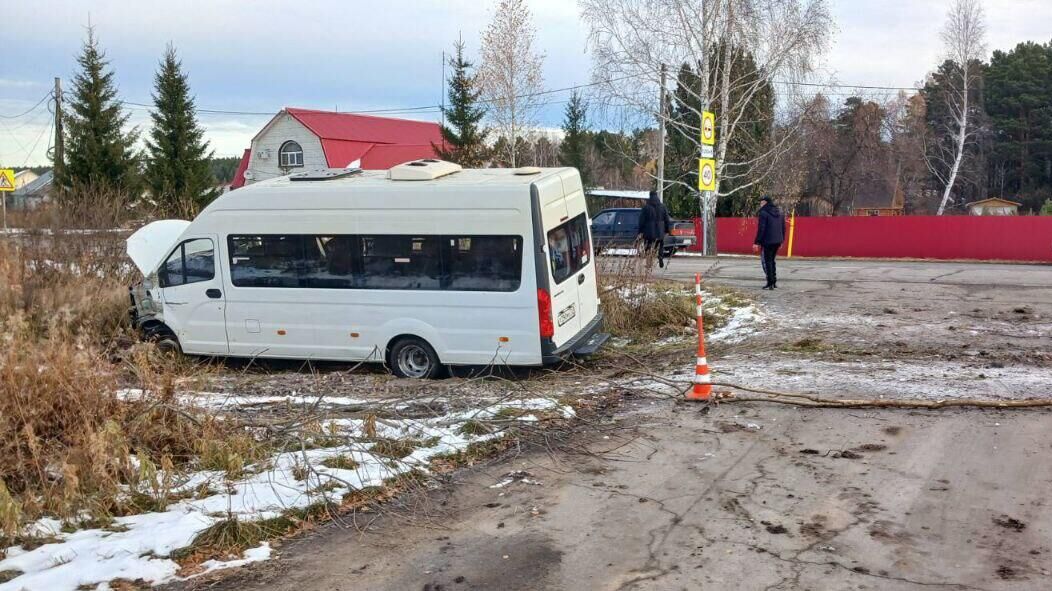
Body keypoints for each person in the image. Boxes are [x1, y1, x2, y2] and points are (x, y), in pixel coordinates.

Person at [752, 196, 786, 289]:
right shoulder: (779, 211)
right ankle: (773, 282)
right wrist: (782, 240)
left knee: (767, 261)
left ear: (765, 202)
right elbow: (783, 227)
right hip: (777, 241)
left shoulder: (764, 212)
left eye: (761, 202)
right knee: (772, 261)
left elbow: (761, 228)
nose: (760, 204)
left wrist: (757, 242)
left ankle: (770, 282)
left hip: (767, 241)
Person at [638, 190, 673, 268]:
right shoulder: (662, 206)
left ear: (650, 197)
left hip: (648, 231)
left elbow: (641, 221)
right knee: (660, 244)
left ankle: (648, 262)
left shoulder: (646, 207)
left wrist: (640, 231)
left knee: (648, 246)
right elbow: (667, 219)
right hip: (660, 230)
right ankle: (660, 257)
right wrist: (668, 230)